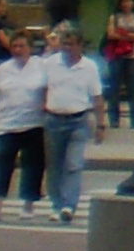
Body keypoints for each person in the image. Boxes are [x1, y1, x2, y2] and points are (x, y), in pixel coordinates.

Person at [40, 24, 105, 225]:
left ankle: (69, 205)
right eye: (64, 44)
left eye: (71, 45)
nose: (67, 48)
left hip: (78, 120)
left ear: (80, 47)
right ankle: (56, 204)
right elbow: (42, 88)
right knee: (54, 166)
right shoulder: (50, 63)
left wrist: (101, 125)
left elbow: (97, 97)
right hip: (53, 119)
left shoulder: (89, 67)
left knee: (74, 165)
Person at [0, 28, 49, 220]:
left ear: (30, 48)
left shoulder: (42, 66)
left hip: (34, 123)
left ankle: (28, 205)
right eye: (14, 46)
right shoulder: (3, 69)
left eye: (22, 46)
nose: (17, 50)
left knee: (33, 165)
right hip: (7, 124)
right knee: (3, 162)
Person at [100, 0, 134, 127]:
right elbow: (111, 34)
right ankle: (114, 119)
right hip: (116, 56)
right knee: (114, 88)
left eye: (129, 1)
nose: (126, 4)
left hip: (133, 56)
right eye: (124, 1)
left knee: (133, 88)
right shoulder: (115, 18)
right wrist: (130, 37)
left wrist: (123, 35)